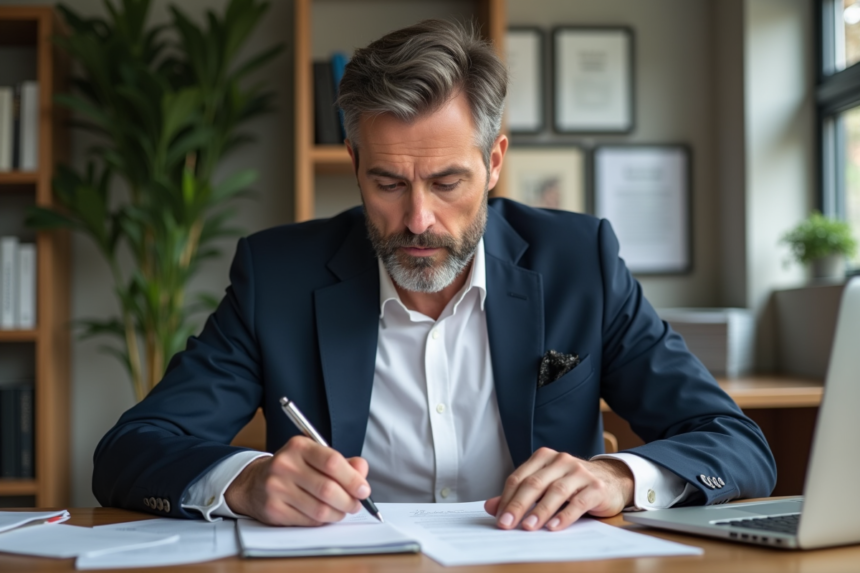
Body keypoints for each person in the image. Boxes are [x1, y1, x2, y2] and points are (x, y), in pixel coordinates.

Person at [93, 20, 776, 532]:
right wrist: (244, 480)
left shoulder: (579, 264)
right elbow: (128, 451)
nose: (418, 219)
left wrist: (617, 475)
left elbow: (734, 441)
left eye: (448, 181)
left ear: (495, 160)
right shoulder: (278, 277)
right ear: (354, 162)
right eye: (387, 182)